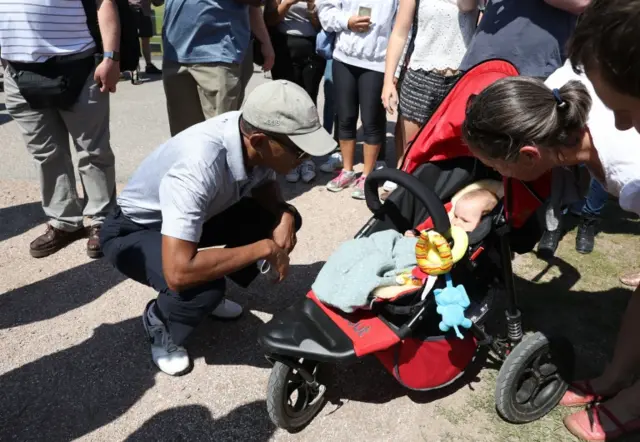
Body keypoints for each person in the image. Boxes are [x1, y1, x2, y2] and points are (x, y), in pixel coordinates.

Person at [99, 80, 336, 376]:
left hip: (190, 221)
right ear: (260, 141)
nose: (307, 158)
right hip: (132, 231)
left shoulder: (250, 134)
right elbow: (178, 271)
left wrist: (284, 212)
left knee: (276, 220)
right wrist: (263, 249)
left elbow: (264, 185)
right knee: (199, 286)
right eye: (300, 151)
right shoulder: (198, 166)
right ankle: (160, 319)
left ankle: (204, 285)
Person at [462, 54, 640, 440]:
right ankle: (617, 375)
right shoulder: (556, 90)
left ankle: (634, 402)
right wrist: (490, 192)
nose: (496, 175)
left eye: (496, 168)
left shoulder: (630, 175)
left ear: (529, 155)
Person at [0, 0, 121, 259]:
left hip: (79, 66)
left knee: (93, 151)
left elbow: (104, 2)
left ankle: (102, 220)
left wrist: (111, 57)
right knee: (45, 154)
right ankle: (64, 221)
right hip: (18, 70)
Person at [381, 0, 479, 193]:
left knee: (448, 150)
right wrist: (388, 81)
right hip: (421, 76)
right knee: (412, 149)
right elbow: (400, 33)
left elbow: (467, 7)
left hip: (460, 79)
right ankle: (404, 195)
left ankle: (431, 199)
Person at [317, 0, 397, 199]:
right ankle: (347, 171)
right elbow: (325, 10)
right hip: (343, 59)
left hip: (378, 63)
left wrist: (396, 68)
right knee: (345, 117)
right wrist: (347, 21)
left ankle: (368, 176)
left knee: (371, 121)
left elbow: (403, 28)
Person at [161, 0, 275, 137]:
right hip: (175, 56)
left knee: (219, 139)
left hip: (217, 57)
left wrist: (265, 41)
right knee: (183, 140)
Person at [265, 0, 327, 184]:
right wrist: (287, 3)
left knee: (308, 102)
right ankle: (287, 157)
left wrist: (310, 7)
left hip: (311, 48)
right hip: (283, 46)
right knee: (285, 104)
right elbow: (270, 19)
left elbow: (321, 24)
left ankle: (306, 158)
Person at [128, 0, 163, 75]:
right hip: (132, 11)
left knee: (145, 39)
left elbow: (158, 3)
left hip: (143, 12)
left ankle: (148, 65)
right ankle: (134, 67)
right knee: (133, 40)